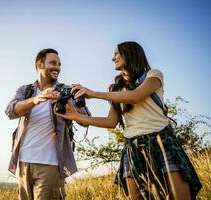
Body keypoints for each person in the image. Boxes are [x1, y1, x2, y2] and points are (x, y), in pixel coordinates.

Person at [56, 42, 201, 200]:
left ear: (130, 53)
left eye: (117, 53)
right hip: (132, 146)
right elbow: (111, 122)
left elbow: (136, 96)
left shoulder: (153, 75)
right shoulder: (116, 90)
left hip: (162, 140)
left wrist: (95, 93)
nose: (113, 58)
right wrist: (77, 117)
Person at [5, 48, 90, 200]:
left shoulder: (66, 90)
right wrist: (35, 100)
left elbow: (86, 120)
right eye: (53, 63)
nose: (57, 67)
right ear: (39, 64)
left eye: (59, 64)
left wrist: (67, 100)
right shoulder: (25, 91)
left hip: (50, 165)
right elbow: (10, 111)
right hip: (24, 164)